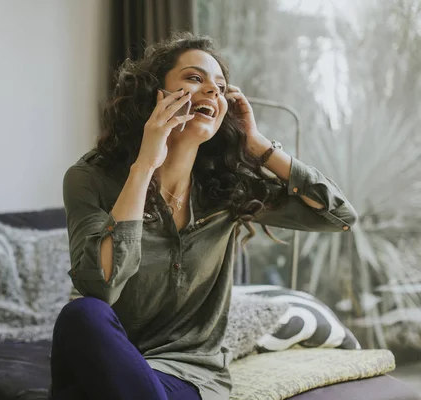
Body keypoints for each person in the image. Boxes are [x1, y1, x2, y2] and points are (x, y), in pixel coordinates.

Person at [50, 32, 357, 400]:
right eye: (195, 78)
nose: (213, 90)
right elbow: (101, 286)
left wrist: (259, 146)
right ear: (155, 94)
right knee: (82, 315)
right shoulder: (90, 179)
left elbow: (338, 215)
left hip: (187, 376)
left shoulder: (228, 190)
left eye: (221, 86)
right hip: (107, 366)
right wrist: (145, 166)